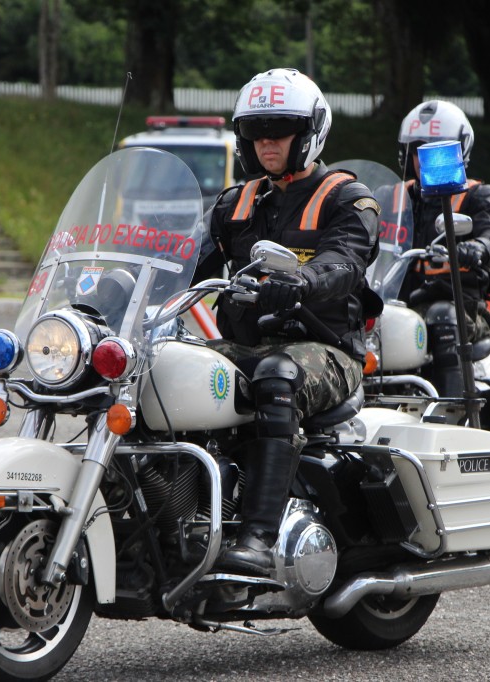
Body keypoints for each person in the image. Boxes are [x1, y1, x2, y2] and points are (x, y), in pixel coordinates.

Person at [192, 68, 380, 576]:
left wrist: (304, 279)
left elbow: (345, 260)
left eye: (280, 128)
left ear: (310, 131)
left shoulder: (347, 199)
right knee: (163, 370)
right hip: (246, 345)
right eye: (256, 130)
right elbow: (187, 261)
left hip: (327, 352)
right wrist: (115, 282)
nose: (266, 140)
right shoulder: (235, 203)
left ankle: (258, 536)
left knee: (278, 376)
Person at [392, 100, 490, 395]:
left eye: (438, 149)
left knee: (442, 317)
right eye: (419, 149)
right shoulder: (390, 196)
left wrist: (478, 248)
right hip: (398, 302)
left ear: (459, 150)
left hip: (461, 307)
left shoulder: (480, 196)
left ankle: (456, 408)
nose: (426, 159)